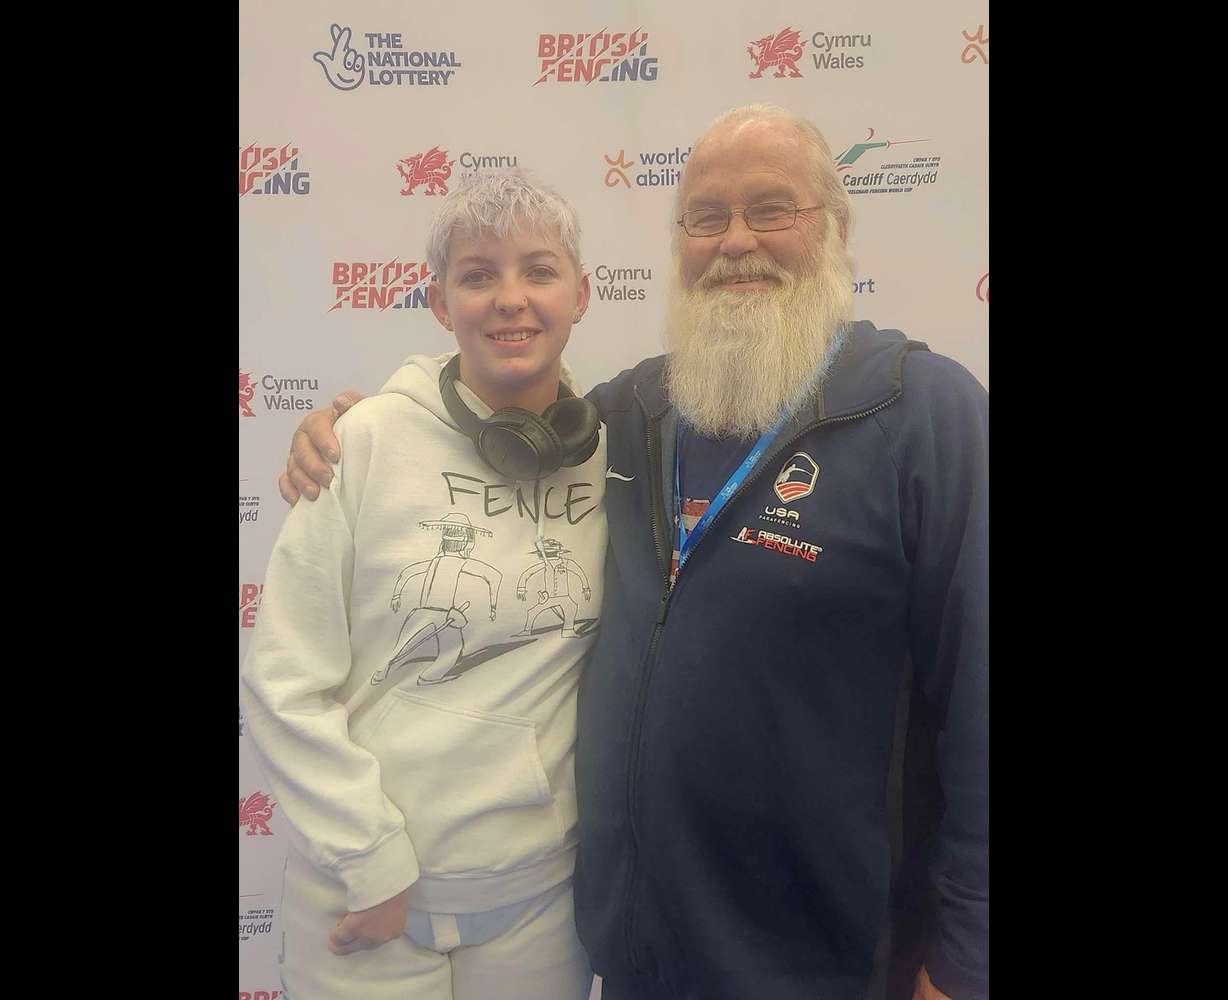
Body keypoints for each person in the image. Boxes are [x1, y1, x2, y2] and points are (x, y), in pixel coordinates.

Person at [277, 104, 988, 1000]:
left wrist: (967, 958)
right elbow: (497, 415)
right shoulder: (633, 414)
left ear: (837, 231)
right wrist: (356, 428)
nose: (736, 242)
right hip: (641, 948)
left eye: (772, 210)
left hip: (833, 955)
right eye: (705, 217)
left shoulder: (923, 413)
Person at [241, 170, 609, 1000]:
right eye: (478, 275)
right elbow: (284, 681)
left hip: (540, 906)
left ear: (582, 293)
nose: (510, 299)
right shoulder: (361, 442)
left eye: (538, 271)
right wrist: (371, 860)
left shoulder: (617, 453)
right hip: (365, 902)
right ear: (441, 303)